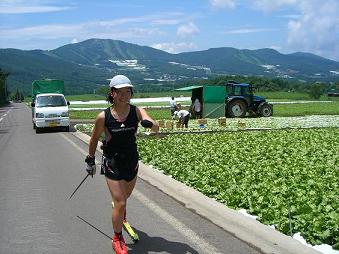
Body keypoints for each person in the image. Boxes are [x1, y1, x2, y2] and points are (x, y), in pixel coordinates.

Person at [85, 74, 159, 254]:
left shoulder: (136, 111)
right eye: (121, 92)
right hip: (112, 162)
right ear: (112, 93)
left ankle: (120, 212)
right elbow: (94, 139)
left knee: (124, 199)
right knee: (120, 202)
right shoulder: (104, 116)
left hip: (131, 161)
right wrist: (90, 160)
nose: (125, 95)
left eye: (128, 91)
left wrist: (151, 124)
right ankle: (117, 238)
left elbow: (155, 125)